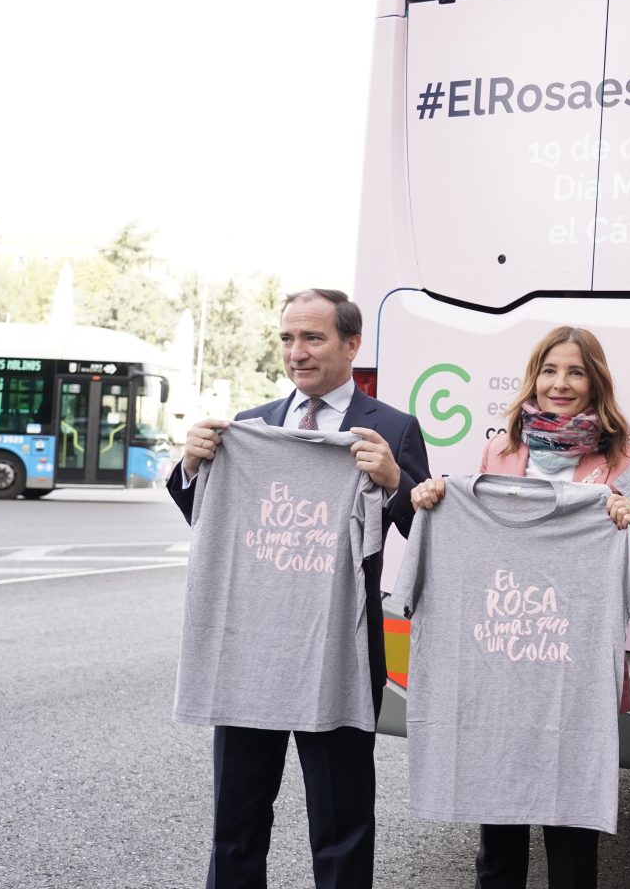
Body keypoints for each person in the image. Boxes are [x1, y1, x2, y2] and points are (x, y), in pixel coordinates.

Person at [168, 288, 431, 889]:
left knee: (341, 823)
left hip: (338, 652)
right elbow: (210, 520)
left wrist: (395, 480)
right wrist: (190, 466)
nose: (297, 352)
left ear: (351, 344)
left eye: (313, 337)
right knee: (235, 820)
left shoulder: (393, 428)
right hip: (249, 650)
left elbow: (426, 532)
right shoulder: (251, 425)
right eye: (287, 338)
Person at [409, 326, 630, 889]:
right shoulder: (502, 450)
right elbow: (478, 539)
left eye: (575, 372)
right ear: (533, 379)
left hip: (571, 671)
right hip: (500, 671)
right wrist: (434, 498)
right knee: (498, 834)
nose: (560, 383)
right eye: (549, 370)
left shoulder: (624, 460)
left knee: (572, 831)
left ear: (595, 383)